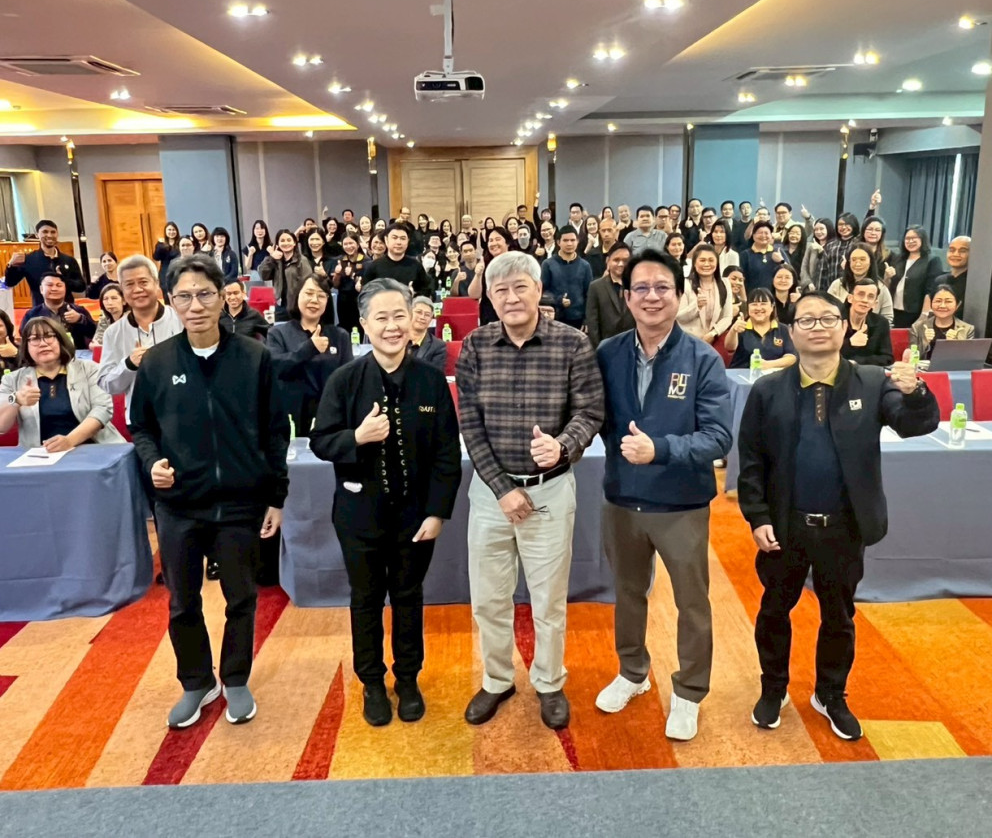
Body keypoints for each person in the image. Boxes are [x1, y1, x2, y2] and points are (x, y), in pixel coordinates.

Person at [738, 291, 939, 740]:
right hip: (784, 526)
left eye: (828, 318)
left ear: (844, 327)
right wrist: (757, 516)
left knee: (839, 616)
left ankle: (830, 693)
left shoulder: (871, 381)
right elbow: (751, 460)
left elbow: (915, 423)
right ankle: (774, 688)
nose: (818, 327)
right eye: (806, 320)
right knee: (774, 610)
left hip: (844, 527)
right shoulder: (768, 390)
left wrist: (916, 393)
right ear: (791, 333)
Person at [129, 254, 287, 729]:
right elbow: (141, 428)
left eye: (204, 294)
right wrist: (152, 463)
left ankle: (235, 678)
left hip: (241, 503)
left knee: (242, 598)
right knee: (182, 601)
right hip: (179, 504)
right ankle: (197, 682)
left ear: (223, 298)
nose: (195, 306)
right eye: (184, 296)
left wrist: (276, 496)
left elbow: (275, 432)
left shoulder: (255, 357)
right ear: (171, 301)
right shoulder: (157, 362)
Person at [455, 251, 604, 731]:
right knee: (489, 598)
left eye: (521, 286)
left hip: (550, 492)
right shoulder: (476, 345)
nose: (512, 297)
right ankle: (497, 679)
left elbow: (590, 411)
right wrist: (502, 489)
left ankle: (549, 681)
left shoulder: (572, 343)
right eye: (501, 290)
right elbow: (470, 424)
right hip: (491, 493)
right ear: (490, 298)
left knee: (548, 599)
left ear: (539, 290)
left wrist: (563, 446)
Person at [593, 249, 732, 740]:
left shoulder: (702, 358)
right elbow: (590, 415)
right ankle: (633, 672)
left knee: (692, 602)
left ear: (679, 295)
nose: (651, 297)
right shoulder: (607, 353)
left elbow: (718, 437)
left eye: (662, 288)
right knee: (628, 594)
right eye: (641, 288)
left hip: (681, 504)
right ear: (626, 297)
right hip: (621, 500)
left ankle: (689, 691)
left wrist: (661, 449)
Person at [310, 280, 462, 726]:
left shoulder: (431, 381)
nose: (392, 326)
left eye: (400, 315)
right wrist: (356, 438)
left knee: (409, 597)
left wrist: (438, 511)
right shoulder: (344, 380)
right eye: (381, 317)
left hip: (416, 517)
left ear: (413, 320)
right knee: (366, 599)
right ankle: (372, 682)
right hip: (359, 515)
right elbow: (320, 441)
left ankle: (408, 679)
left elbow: (447, 453)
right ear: (364, 324)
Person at [0, 316, 123, 448]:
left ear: (61, 340)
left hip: (94, 449)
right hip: (41, 455)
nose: (43, 343)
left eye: (49, 336)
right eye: (35, 339)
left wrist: (69, 441)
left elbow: (102, 410)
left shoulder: (89, 369)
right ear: (26, 346)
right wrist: (15, 400)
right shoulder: (12, 379)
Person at [96, 255, 184, 423]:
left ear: (156, 284)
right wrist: (128, 364)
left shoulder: (182, 319)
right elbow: (107, 384)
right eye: (129, 284)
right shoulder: (113, 333)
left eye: (143, 282)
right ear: (122, 290)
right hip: (141, 420)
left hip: (184, 415)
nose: (137, 290)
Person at [266, 274, 353, 436]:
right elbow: (276, 367)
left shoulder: (340, 335)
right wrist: (310, 348)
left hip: (330, 417)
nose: (314, 300)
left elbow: (348, 380)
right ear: (297, 296)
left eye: (321, 296)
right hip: (291, 418)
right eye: (309, 293)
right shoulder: (278, 333)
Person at [3, 220, 86, 306]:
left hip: (66, 308)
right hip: (40, 309)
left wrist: (64, 280)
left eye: (53, 232)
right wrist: (11, 266)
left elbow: (81, 287)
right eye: (45, 232)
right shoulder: (29, 259)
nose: (49, 235)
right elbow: (10, 283)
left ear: (57, 234)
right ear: (37, 235)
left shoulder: (69, 260)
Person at [725, 288, 798, 371]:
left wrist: (769, 365)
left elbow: (791, 357)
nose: (759, 308)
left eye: (763, 304)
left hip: (773, 376)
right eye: (754, 304)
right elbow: (729, 347)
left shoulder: (783, 329)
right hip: (740, 375)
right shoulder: (741, 326)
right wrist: (733, 331)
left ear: (772, 307)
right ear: (748, 307)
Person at [889, 227, 946, 329]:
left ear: (922, 239)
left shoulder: (932, 260)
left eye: (914, 238)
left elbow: (930, 290)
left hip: (915, 313)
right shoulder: (898, 259)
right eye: (907, 238)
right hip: (894, 311)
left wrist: (924, 314)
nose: (910, 241)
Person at [676, 244, 733, 346]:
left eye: (711, 260)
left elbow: (727, 316)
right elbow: (679, 317)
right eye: (702, 260)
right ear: (694, 263)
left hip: (712, 341)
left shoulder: (725, 284)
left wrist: (713, 333)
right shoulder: (685, 284)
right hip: (688, 342)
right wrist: (696, 306)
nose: (707, 264)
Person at [22, 273, 96, 350]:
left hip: (76, 353)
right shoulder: (33, 314)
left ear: (65, 289)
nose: (54, 289)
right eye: (50, 285)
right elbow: (25, 338)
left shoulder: (79, 310)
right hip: (44, 352)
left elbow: (94, 334)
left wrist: (80, 319)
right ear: (41, 289)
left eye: (59, 285)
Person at [584, 242, 635, 348]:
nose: (621, 264)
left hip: (633, 346)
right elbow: (593, 323)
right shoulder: (596, 287)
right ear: (608, 261)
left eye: (625, 261)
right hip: (606, 346)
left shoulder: (638, 286)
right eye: (616, 260)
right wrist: (599, 349)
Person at [540, 230, 593, 329]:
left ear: (577, 241)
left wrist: (586, 319)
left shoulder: (585, 265)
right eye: (565, 240)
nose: (569, 243)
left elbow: (589, 294)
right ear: (558, 242)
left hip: (578, 319)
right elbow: (542, 291)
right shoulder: (548, 264)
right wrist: (559, 300)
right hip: (554, 318)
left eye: (572, 240)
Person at [258, 229, 314, 323]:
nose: (286, 243)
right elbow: (263, 275)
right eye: (282, 241)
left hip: (298, 306)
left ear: (294, 243)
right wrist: (271, 258)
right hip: (280, 305)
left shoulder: (302, 261)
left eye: (289, 240)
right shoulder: (275, 260)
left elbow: (308, 282)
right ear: (277, 244)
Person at [829, 243, 895, 323]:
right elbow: (827, 312)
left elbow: (887, 318)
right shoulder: (837, 285)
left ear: (870, 261)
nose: (858, 264)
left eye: (862, 259)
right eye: (853, 260)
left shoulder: (881, 287)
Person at [362, 225, 432, 298]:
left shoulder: (416, 265)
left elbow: (425, 291)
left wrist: (413, 294)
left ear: (408, 241)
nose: (399, 242)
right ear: (386, 240)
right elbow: (365, 294)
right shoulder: (374, 267)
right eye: (394, 238)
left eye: (403, 238)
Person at [909, 284, 975, 359]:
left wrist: (955, 345)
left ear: (957, 305)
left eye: (948, 301)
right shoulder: (917, 327)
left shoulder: (967, 329)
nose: (942, 306)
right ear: (931, 303)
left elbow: (968, 359)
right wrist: (925, 342)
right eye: (938, 301)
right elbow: (911, 358)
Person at [841, 279, 894, 367]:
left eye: (870, 297)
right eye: (861, 295)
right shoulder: (836, 320)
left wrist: (857, 362)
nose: (865, 300)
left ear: (875, 303)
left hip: (866, 372)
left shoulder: (881, 322)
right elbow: (824, 353)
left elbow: (887, 358)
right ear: (850, 298)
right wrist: (849, 343)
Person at [468, 227, 511, 325]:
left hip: (511, 312)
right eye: (490, 240)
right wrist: (478, 275)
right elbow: (474, 295)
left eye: (498, 239)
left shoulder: (516, 262)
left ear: (507, 242)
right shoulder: (485, 264)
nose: (494, 243)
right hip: (489, 316)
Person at [739, 221, 789, 292]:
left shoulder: (779, 251)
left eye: (766, 233)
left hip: (776, 295)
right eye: (760, 233)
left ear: (771, 236)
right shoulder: (745, 255)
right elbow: (740, 278)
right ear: (753, 236)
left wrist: (781, 261)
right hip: (753, 295)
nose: (763, 236)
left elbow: (790, 273)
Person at [333, 234, 368, 335]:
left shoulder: (366, 261)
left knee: (359, 329)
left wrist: (352, 274)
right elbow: (335, 285)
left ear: (357, 245)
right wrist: (337, 274)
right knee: (344, 329)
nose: (348, 246)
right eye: (345, 244)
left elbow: (365, 283)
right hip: (343, 300)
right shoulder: (339, 260)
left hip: (359, 299)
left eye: (351, 243)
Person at [818, 214, 860, 293]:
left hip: (852, 289)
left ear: (854, 225)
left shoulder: (858, 244)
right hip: (831, 290)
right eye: (840, 224)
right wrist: (821, 293)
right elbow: (823, 271)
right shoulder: (830, 245)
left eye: (847, 224)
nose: (843, 227)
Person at [407, 296, 447, 370]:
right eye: (419, 312)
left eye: (427, 315)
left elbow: (435, 374)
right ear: (409, 313)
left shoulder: (438, 347)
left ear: (431, 319)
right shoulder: (396, 339)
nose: (422, 317)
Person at [936, 236, 971, 316]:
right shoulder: (939, 280)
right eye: (952, 250)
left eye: (962, 251)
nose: (955, 254)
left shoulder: (972, 284)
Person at [800, 218, 833, 291]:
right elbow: (804, 268)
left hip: (827, 286)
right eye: (816, 229)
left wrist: (822, 251)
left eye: (821, 229)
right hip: (811, 288)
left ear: (829, 229)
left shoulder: (834, 246)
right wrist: (808, 283)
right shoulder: (811, 247)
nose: (818, 232)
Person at [154, 221, 181, 288]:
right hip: (165, 272)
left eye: (173, 230)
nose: (171, 232)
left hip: (178, 271)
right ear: (165, 231)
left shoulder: (180, 242)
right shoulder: (161, 244)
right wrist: (160, 245)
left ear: (177, 231)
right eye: (169, 230)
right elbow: (156, 257)